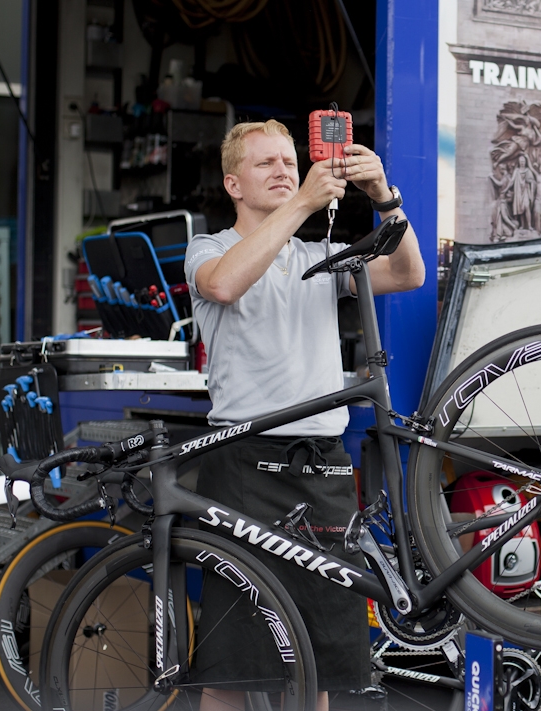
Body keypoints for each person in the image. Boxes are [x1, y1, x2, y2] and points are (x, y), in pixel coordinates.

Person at [184, 120, 425, 711]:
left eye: (290, 162)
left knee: (319, 659)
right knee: (231, 666)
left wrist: (384, 196)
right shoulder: (209, 249)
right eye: (266, 164)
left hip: (322, 465)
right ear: (232, 183)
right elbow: (224, 285)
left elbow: (408, 273)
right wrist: (301, 203)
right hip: (243, 464)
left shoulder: (322, 258)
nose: (283, 171)